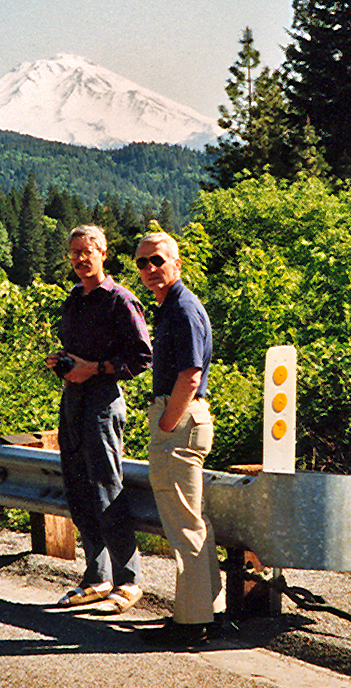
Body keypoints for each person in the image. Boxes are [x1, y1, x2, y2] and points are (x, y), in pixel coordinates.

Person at [46, 224, 152, 615]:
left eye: (86, 252)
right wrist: (64, 362)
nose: (79, 259)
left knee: (107, 488)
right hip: (73, 399)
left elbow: (142, 358)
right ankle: (96, 576)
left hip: (103, 401)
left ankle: (128, 581)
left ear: (103, 253)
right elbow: (78, 352)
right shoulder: (74, 299)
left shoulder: (120, 301)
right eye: (74, 253)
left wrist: (95, 368)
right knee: (78, 489)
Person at [135, 231, 225, 648]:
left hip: (181, 419)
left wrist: (167, 424)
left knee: (184, 527)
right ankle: (210, 611)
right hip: (183, 419)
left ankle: (191, 623)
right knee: (193, 521)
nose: (150, 270)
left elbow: (190, 376)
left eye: (158, 261)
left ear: (177, 264)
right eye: (142, 263)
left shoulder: (183, 309)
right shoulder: (170, 307)